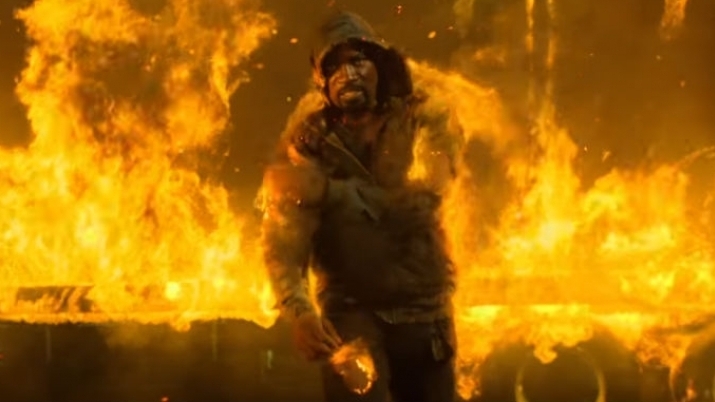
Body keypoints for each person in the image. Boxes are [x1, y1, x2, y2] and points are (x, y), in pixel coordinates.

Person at [260, 10, 462, 402]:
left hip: (424, 312)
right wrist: (300, 311)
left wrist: (331, 194)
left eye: (357, 61)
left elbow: (425, 198)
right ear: (322, 82)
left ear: (379, 66)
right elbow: (283, 239)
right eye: (334, 67)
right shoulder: (309, 142)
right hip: (351, 315)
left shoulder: (424, 118)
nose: (347, 74)